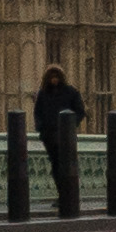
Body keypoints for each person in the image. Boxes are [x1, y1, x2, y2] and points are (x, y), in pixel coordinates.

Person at [31, 61, 83, 214]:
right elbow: (37, 113)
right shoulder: (43, 94)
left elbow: (80, 111)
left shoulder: (71, 92)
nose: (54, 79)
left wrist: (71, 126)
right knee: (56, 166)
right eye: (52, 76)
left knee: (66, 167)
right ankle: (62, 195)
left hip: (66, 137)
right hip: (49, 136)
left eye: (56, 76)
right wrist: (41, 128)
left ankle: (68, 196)